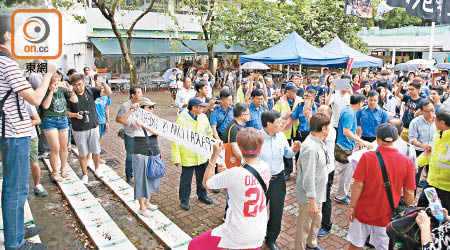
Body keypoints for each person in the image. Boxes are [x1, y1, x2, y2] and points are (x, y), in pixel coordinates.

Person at [0, 14, 56, 249]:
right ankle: (16, 243)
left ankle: (17, 229)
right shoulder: (6, 62)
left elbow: (26, 67)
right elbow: (33, 96)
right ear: (8, 35)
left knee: (15, 186)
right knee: (16, 188)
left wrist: (44, 65)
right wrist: (49, 74)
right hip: (15, 133)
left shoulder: (8, 60)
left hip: (11, 131)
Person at [188, 128, 271, 250]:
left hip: (237, 231)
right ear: (260, 148)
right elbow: (246, 180)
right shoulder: (265, 167)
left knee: (194, 245)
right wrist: (228, 173)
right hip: (259, 230)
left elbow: (206, 183)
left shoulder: (235, 173)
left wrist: (214, 156)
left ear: (240, 148)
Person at [346, 123, 416, 250]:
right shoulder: (407, 162)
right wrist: (410, 213)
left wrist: (352, 206)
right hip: (387, 216)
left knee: (355, 245)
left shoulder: (367, 157)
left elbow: (358, 185)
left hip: (363, 211)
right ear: (395, 139)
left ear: (377, 138)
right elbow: (409, 193)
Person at [259, 110, 301, 250]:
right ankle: (255, 236)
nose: (282, 124)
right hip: (260, 181)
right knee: (257, 211)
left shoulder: (281, 136)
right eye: (278, 122)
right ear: (268, 124)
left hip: (278, 180)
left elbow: (287, 153)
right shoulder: (257, 138)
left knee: (277, 211)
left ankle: (271, 239)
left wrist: (294, 149)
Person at [294, 113, 331, 250]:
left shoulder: (319, 142)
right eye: (328, 127)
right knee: (304, 225)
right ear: (323, 129)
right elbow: (308, 177)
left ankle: (311, 244)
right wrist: (312, 201)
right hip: (309, 197)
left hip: (317, 194)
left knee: (316, 221)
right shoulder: (311, 148)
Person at [67, 73, 112, 184]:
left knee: (96, 150)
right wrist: (75, 115)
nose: (79, 87)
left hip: (93, 125)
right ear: (72, 85)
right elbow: (65, 112)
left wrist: (103, 83)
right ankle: (85, 174)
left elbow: (108, 92)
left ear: (84, 82)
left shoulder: (90, 91)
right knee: (82, 153)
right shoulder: (69, 95)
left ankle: (97, 169)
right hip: (79, 128)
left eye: (80, 84)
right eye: (76, 85)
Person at [171, 97, 214, 211]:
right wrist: (176, 157)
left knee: (202, 178)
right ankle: (184, 200)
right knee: (186, 180)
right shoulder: (182, 119)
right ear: (194, 107)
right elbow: (175, 139)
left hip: (201, 155)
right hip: (188, 156)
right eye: (201, 106)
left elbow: (208, 133)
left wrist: (210, 149)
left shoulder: (203, 117)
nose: (203, 108)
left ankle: (202, 195)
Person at [121, 98, 161, 217]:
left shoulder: (154, 119)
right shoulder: (134, 118)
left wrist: (144, 125)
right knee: (141, 178)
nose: (152, 110)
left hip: (154, 150)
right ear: (142, 108)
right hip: (140, 152)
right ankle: (142, 207)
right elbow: (123, 120)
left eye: (152, 107)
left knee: (152, 176)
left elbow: (158, 132)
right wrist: (131, 109)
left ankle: (147, 202)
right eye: (149, 107)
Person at [334, 94, 373, 205]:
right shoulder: (349, 113)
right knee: (344, 173)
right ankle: (340, 196)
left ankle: (344, 193)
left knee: (347, 172)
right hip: (344, 147)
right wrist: (362, 141)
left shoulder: (348, 110)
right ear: (360, 102)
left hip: (346, 145)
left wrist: (357, 140)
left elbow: (350, 130)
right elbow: (346, 131)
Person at [41, 74, 78, 182]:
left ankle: (63, 168)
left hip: (62, 119)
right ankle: (55, 172)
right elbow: (45, 106)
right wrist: (51, 91)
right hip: (49, 120)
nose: (57, 81)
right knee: (55, 147)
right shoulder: (44, 90)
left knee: (64, 147)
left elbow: (75, 100)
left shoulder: (63, 90)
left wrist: (69, 89)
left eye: (58, 79)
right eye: (54, 79)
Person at [417, 109, 450, 211]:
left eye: (435, 119)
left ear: (442, 123)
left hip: (446, 186)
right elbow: (431, 154)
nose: (433, 121)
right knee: (421, 206)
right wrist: (415, 164)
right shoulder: (438, 135)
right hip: (432, 181)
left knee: (447, 212)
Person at [274, 83, 302, 181]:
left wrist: (294, 114)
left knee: (298, 148)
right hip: (284, 130)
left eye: (295, 91)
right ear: (287, 91)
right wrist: (285, 116)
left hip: (296, 128)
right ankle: (288, 171)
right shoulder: (280, 101)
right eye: (292, 91)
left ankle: (299, 169)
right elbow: (275, 114)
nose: (295, 93)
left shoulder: (299, 99)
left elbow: (302, 112)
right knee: (287, 150)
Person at [116, 86, 143, 184]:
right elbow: (118, 119)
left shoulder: (143, 104)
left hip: (141, 135)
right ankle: (128, 176)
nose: (141, 95)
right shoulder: (125, 106)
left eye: (141, 92)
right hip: (130, 135)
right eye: (139, 93)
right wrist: (130, 112)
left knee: (140, 157)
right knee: (130, 157)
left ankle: (139, 176)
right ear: (133, 95)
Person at [317, 105, 336, 238]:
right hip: (317, 168)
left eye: (322, 113)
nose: (319, 114)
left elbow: (320, 137)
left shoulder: (330, 130)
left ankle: (326, 225)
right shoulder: (318, 128)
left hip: (327, 169)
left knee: (325, 198)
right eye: (318, 112)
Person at [409, 98, 436, 190]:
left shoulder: (439, 121)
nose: (430, 113)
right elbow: (412, 139)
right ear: (421, 111)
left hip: (433, 152)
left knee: (432, 179)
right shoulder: (415, 122)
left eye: (432, 110)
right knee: (415, 177)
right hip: (419, 152)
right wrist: (423, 146)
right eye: (427, 111)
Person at [26, 102, 48, 197]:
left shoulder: (26, 102)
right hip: (10, 136)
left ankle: (37, 185)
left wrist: (24, 125)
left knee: (34, 162)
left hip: (30, 136)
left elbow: (37, 120)